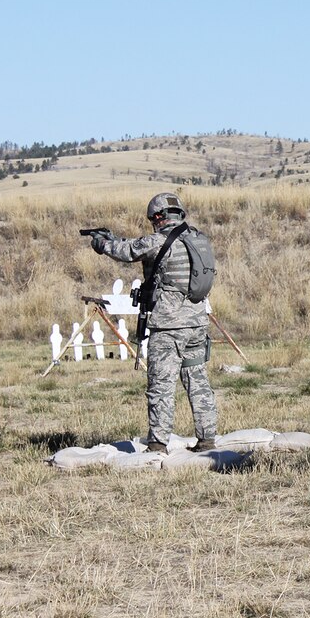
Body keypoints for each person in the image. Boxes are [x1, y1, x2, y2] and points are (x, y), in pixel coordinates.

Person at [89, 192, 218, 453]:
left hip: (169, 327)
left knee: (160, 385)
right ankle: (207, 439)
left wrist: (102, 244)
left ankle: (158, 444)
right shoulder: (197, 239)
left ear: (158, 217)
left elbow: (127, 251)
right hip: (196, 323)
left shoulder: (159, 241)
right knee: (198, 381)